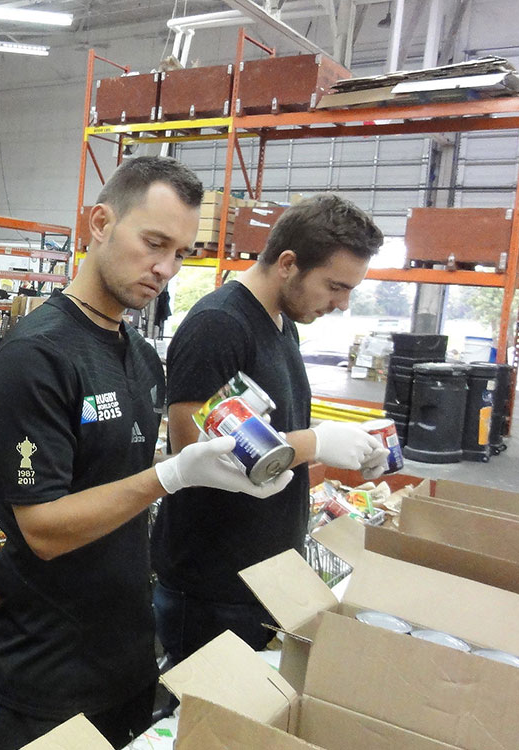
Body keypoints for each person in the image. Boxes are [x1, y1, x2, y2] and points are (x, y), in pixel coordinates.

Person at [0, 156, 293, 750]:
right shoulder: (36, 357)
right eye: (154, 243)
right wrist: (170, 475)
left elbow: (125, 482)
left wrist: (221, 464)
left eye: (181, 254)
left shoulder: (142, 359)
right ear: (100, 223)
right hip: (46, 676)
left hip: (126, 660)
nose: (166, 268)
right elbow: (41, 527)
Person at [151, 194, 389, 666]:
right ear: (287, 263)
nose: (341, 304)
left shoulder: (282, 324)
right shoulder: (219, 325)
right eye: (335, 286)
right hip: (214, 583)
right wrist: (317, 443)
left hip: (262, 573)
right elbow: (193, 447)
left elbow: (268, 427)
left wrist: (346, 440)